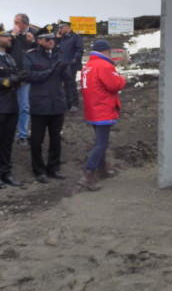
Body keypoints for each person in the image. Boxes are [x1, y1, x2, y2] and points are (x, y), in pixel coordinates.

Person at [79, 40, 127, 191]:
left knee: (101, 141)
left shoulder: (88, 66)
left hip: (93, 109)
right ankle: (88, 174)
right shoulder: (104, 65)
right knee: (102, 143)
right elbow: (114, 85)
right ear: (106, 51)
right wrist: (123, 79)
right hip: (103, 108)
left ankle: (101, 169)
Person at [24, 26, 70, 183]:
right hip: (40, 104)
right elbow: (29, 76)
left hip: (57, 103)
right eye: (47, 39)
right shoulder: (31, 56)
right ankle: (39, 171)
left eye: (53, 39)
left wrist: (64, 69)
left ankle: (53, 168)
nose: (52, 41)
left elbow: (67, 78)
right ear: (39, 41)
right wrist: (49, 71)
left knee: (55, 139)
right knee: (37, 140)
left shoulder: (59, 55)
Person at [0, 30, 29, 188]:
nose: (9, 38)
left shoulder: (10, 58)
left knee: (7, 142)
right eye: (5, 36)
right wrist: (12, 80)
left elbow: (16, 80)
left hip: (11, 106)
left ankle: (6, 172)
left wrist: (21, 78)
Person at [7, 13, 37, 147]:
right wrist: (12, 36)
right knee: (9, 106)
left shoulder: (35, 34)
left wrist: (33, 42)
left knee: (25, 106)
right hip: (11, 76)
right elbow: (4, 49)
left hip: (28, 76)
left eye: (17, 22)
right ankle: (7, 133)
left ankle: (22, 135)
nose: (14, 24)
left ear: (25, 24)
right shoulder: (10, 34)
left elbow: (44, 50)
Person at [56, 20, 84, 112]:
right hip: (61, 65)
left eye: (61, 27)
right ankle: (67, 103)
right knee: (64, 85)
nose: (60, 29)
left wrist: (75, 59)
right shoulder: (61, 38)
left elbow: (79, 49)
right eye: (59, 27)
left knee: (71, 84)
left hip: (71, 65)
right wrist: (57, 39)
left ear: (67, 27)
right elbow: (55, 49)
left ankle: (74, 103)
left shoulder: (75, 37)